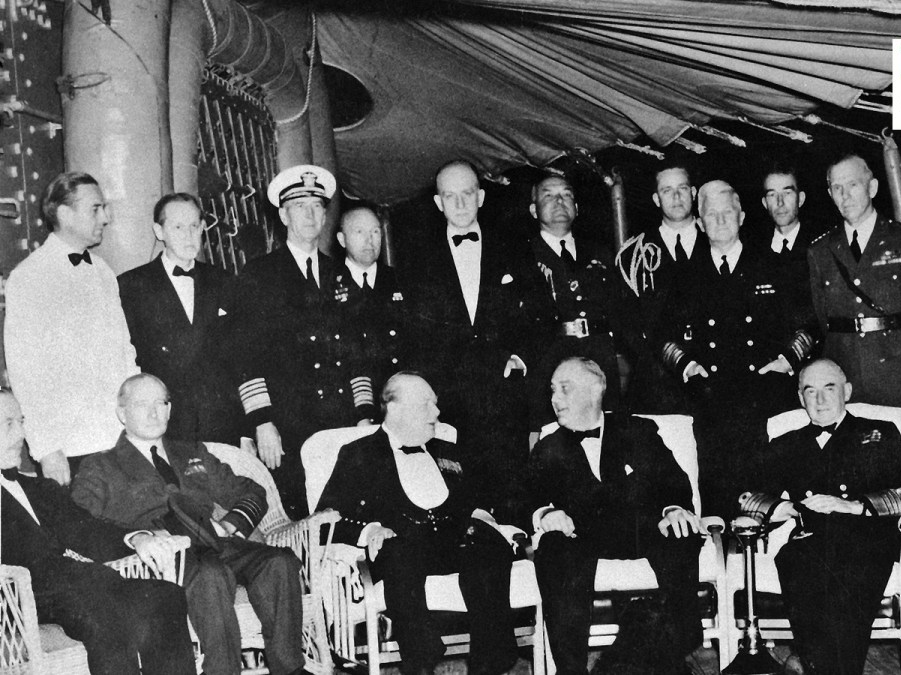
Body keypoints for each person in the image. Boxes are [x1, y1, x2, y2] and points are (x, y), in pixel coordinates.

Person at [72, 374, 310, 675]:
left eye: (161, 403)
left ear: (170, 410)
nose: (154, 412)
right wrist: (138, 538)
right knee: (212, 573)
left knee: (280, 561)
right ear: (122, 413)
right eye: (142, 404)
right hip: (162, 556)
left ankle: (290, 669)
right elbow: (82, 523)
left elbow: (251, 491)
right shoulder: (101, 466)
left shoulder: (192, 452)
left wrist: (230, 525)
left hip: (214, 540)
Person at [316, 372, 521, 675]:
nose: (437, 413)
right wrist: (369, 530)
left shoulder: (449, 450)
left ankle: (489, 662)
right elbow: (323, 521)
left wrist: (483, 514)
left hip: (456, 543)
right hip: (404, 548)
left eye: (435, 404)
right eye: (426, 404)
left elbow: (493, 499)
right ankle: (421, 658)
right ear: (394, 408)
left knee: (487, 544)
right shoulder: (358, 454)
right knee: (398, 554)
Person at [0, 390, 196, 675]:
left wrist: (138, 538)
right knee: (106, 613)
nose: (21, 434)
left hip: (82, 586)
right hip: (17, 599)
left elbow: (86, 530)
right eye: (8, 424)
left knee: (165, 596)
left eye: (21, 421)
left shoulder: (38, 489)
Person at [527, 357, 702, 675]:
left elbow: (674, 482)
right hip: (581, 538)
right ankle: (571, 670)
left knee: (683, 530)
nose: (555, 399)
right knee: (552, 547)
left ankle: (668, 648)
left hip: (643, 530)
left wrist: (674, 509)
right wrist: (547, 512)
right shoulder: (547, 447)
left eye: (565, 389)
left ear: (596, 390)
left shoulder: (638, 430)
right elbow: (527, 497)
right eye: (552, 390)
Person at [753, 358, 901, 675]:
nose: (819, 400)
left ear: (846, 391)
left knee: (848, 578)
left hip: (867, 540)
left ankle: (810, 665)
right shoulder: (785, 444)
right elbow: (751, 496)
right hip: (810, 542)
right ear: (800, 397)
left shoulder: (879, 434)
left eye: (829, 389)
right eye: (810, 391)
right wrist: (783, 508)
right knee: (793, 560)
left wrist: (855, 505)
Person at [658, 179, 817, 517]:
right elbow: (661, 335)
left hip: (766, 397)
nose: (720, 220)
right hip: (710, 400)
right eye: (711, 214)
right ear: (699, 223)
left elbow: (809, 326)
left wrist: (787, 360)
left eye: (727, 212)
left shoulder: (774, 265)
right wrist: (687, 366)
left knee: (770, 492)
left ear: (742, 216)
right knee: (717, 496)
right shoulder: (683, 275)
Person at [227, 164, 375, 517]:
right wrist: (262, 421)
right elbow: (245, 355)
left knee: (350, 514)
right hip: (290, 424)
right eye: (299, 206)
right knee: (302, 521)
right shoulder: (259, 275)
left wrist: (365, 413)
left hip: (340, 420)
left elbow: (358, 352)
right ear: (283, 215)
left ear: (325, 215)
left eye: (317, 206)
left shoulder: (341, 273)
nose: (310, 215)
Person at [404, 160, 549, 512]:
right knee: (459, 500)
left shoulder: (514, 249)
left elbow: (543, 316)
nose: (459, 204)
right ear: (438, 203)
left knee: (513, 495)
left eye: (467, 194)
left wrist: (520, 359)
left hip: (505, 395)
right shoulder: (418, 259)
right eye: (449, 196)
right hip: (449, 397)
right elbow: (417, 334)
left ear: (481, 197)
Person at [3, 171, 139, 484]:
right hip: (70, 447)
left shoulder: (103, 271)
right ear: (65, 214)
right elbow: (25, 371)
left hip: (119, 438)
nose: (106, 217)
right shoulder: (29, 276)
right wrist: (47, 449)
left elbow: (125, 351)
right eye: (96, 208)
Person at [808, 153, 901, 424]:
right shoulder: (820, 251)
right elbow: (823, 318)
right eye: (837, 188)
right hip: (846, 376)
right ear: (829, 193)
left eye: (853, 185)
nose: (845, 196)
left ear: (872, 187)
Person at [118, 192, 242, 443]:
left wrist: (245, 431)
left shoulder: (223, 281)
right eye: (178, 227)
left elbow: (239, 359)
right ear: (159, 231)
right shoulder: (131, 286)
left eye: (194, 226)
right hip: (165, 426)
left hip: (221, 423)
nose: (189, 234)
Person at [526, 173, 637, 428]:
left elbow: (619, 309)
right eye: (548, 195)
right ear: (534, 210)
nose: (559, 201)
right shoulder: (523, 256)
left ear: (577, 207)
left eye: (566, 194)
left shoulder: (600, 252)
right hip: (550, 361)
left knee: (607, 437)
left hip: (600, 359)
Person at [620, 160, 706, 414]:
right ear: (656, 199)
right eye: (667, 191)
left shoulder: (719, 240)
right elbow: (628, 325)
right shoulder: (633, 255)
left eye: (682, 188)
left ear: (693, 193)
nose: (676, 196)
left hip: (710, 373)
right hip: (657, 383)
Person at [337, 206, 413, 401]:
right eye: (359, 231)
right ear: (341, 239)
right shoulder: (328, 285)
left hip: (397, 395)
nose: (369, 240)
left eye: (375, 231)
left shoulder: (400, 281)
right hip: (349, 398)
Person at [754, 163, 820, 322]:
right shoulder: (754, 252)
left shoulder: (820, 247)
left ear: (801, 199)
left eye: (787, 193)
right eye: (772, 195)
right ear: (764, 203)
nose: (780, 202)